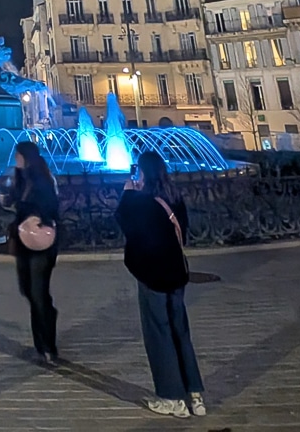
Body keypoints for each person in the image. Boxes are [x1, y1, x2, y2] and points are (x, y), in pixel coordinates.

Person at [116, 151, 206, 419]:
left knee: (159, 335)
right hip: (177, 274)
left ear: (142, 173)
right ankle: (195, 395)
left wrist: (128, 192)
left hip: (152, 277)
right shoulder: (174, 198)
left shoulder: (140, 202)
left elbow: (124, 221)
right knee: (181, 333)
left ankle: (171, 398)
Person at [0, 139, 60, 364]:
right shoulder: (19, 180)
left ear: (27, 158)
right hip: (23, 242)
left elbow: (50, 207)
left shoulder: (43, 179)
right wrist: (6, 200)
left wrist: (21, 207)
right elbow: (14, 203)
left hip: (42, 244)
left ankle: (48, 345)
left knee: (38, 292)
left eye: (18, 156)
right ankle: (40, 341)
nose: (15, 160)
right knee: (27, 290)